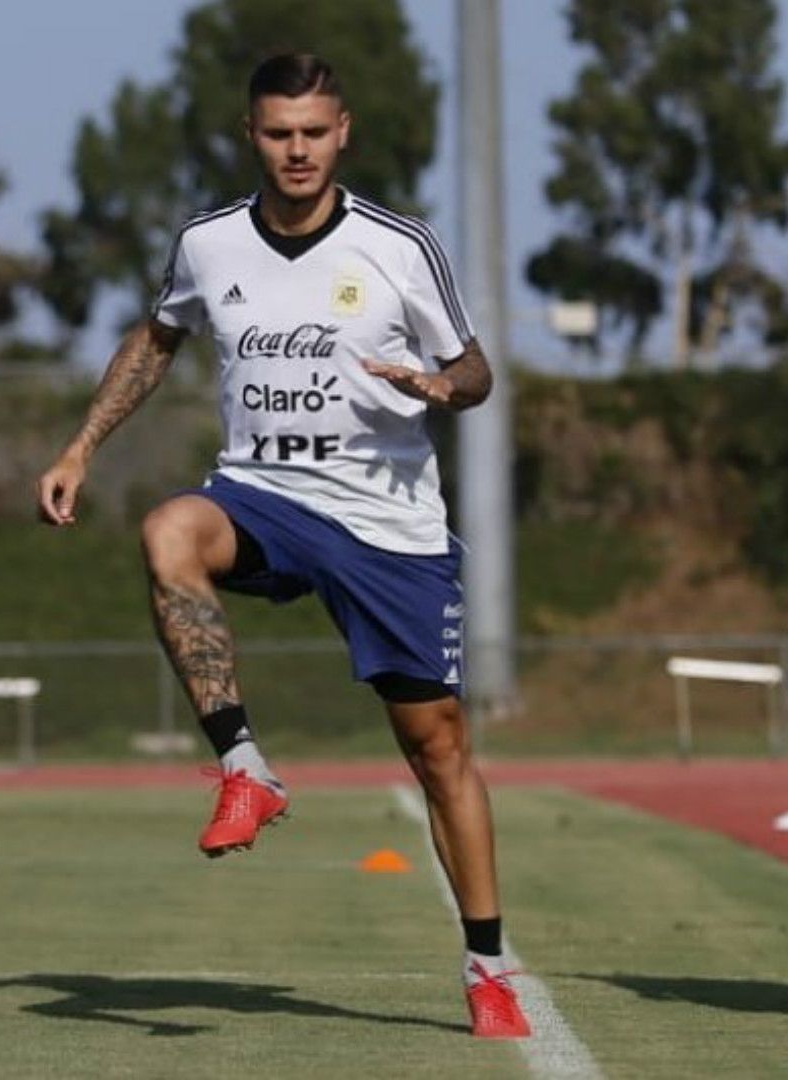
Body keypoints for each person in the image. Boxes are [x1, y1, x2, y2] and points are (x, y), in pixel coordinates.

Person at [35, 52, 529, 1040]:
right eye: (277, 133)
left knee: (438, 750)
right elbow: (157, 339)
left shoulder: (401, 245)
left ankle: (487, 967)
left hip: (389, 525)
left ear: (342, 132)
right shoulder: (208, 244)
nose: (295, 150)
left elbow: (472, 365)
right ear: (251, 135)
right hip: (262, 495)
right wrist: (83, 445)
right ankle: (245, 767)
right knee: (169, 528)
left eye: (313, 132)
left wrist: (445, 388)